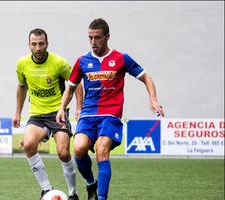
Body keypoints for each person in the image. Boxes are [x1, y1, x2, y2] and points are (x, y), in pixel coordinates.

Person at [56, 18, 165, 200]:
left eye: (97, 38)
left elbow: (146, 77)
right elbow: (71, 87)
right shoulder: (82, 60)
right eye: (90, 38)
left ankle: (101, 198)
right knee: (79, 149)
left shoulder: (121, 58)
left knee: (101, 149)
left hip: (110, 115)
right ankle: (91, 183)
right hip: (88, 114)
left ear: (107, 37)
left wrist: (153, 100)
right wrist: (61, 108)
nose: (93, 42)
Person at [12, 28, 83, 200]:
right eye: (34, 44)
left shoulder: (59, 63)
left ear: (47, 44)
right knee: (28, 145)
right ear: (29, 45)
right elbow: (22, 86)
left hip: (58, 114)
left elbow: (76, 83)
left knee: (63, 153)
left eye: (41, 44)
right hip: (37, 116)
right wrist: (18, 112)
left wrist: (79, 107)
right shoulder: (22, 64)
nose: (37, 48)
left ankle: (73, 193)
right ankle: (46, 189)